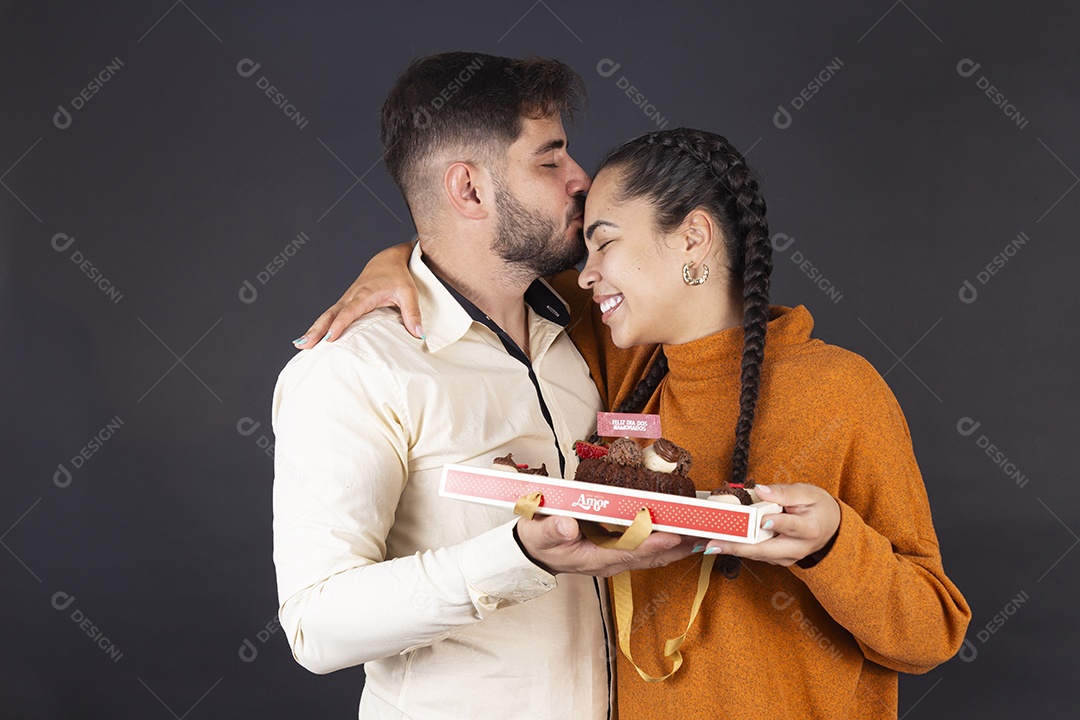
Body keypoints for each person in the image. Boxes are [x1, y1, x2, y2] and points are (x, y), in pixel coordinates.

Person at [300, 127, 972, 718]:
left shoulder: (842, 392)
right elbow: (468, 263)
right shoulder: (612, 358)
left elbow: (930, 634)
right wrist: (393, 264)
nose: (585, 275)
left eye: (604, 243)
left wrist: (829, 545)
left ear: (694, 237)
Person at [272, 53, 695, 720]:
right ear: (468, 190)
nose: (582, 179)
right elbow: (316, 626)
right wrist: (520, 555)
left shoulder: (591, 329)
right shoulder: (353, 368)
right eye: (550, 160)